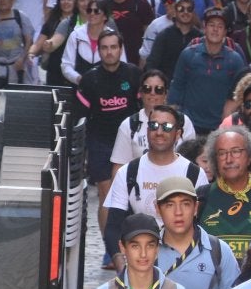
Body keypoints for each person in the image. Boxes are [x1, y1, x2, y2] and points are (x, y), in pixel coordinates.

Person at [102, 104, 207, 253]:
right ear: (147, 130)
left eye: (167, 127)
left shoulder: (195, 174)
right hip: (139, 258)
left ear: (178, 134)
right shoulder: (126, 172)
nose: (159, 131)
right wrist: (121, 265)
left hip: (182, 256)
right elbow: (113, 227)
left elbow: (202, 225)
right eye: (154, 125)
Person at [77, 30, 143, 239]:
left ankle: (131, 240)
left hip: (130, 142)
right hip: (100, 143)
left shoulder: (133, 75)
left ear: (120, 49)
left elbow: (143, 106)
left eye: (113, 47)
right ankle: (110, 247)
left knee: (133, 196)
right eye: (104, 48)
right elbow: (79, 117)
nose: (109, 52)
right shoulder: (90, 79)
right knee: (107, 195)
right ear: (99, 51)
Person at [195, 128, 251, 259]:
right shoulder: (200, 197)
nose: (229, 159)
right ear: (214, 160)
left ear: (249, 158)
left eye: (236, 151)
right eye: (222, 153)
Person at [168, 9, 248, 133]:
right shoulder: (188, 54)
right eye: (211, 25)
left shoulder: (235, 60)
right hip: (189, 125)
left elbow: (240, 94)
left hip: (220, 127)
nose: (215, 29)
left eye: (220, 26)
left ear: (225, 32)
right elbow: (177, 88)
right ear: (204, 28)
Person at [111, 70, 197, 167]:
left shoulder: (183, 122)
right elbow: (119, 165)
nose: (152, 93)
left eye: (158, 89)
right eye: (147, 89)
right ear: (141, 93)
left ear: (166, 94)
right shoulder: (129, 125)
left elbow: (193, 162)